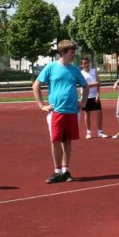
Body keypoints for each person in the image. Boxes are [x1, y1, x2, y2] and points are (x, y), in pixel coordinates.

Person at [33, 40, 88, 183]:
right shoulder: (51, 67)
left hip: (72, 111)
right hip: (56, 111)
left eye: (74, 52)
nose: (74, 55)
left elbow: (85, 86)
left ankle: (65, 171)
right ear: (63, 53)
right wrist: (41, 105)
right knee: (56, 140)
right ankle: (57, 171)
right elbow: (36, 85)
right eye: (71, 52)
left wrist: (83, 102)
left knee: (67, 140)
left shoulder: (75, 69)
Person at [79, 57, 109, 139]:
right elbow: (83, 85)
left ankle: (100, 132)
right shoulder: (80, 73)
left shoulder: (94, 71)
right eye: (84, 63)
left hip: (94, 96)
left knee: (99, 113)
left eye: (87, 63)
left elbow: (99, 83)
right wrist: (93, 84)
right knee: (87, 114)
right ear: (81, 64)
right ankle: (88, 132)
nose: (86, 65)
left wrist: (98, 94)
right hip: (85, 96)